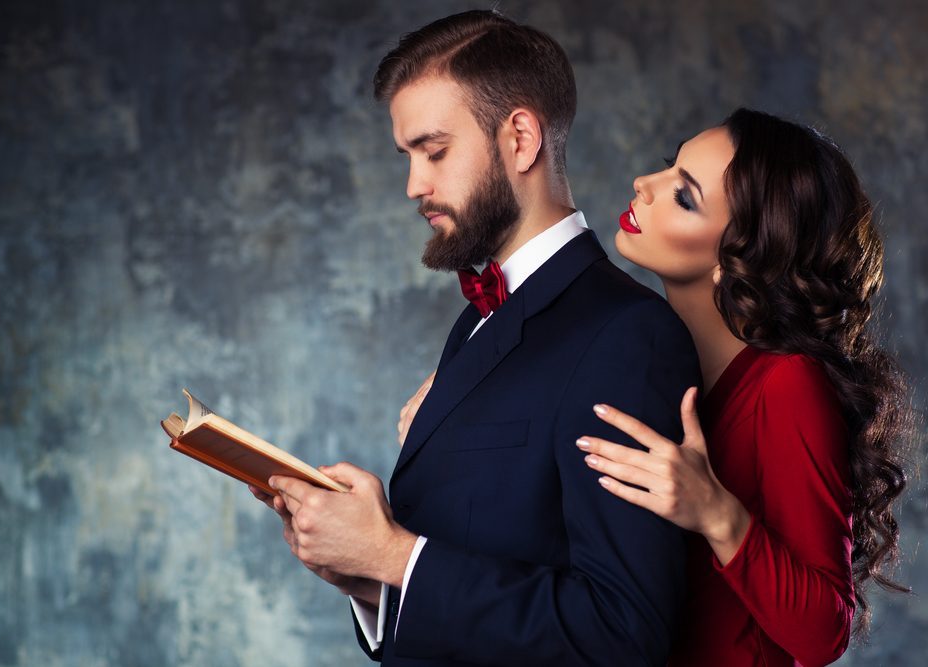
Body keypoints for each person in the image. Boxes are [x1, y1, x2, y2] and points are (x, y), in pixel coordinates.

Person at [250, 9, 701, 666]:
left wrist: (394, 554)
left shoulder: (626, 335)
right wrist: (369, 580)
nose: (414, 185)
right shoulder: (477, 318)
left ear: (520, 138)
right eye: (407, 157)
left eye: (434, 152)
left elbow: (622, 634)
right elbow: (477, 560)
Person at [401, 108, 914, 666]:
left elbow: (823, 634)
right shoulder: (636, 359)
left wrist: (716, 512)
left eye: (684, 196)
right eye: (670, 168)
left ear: (736, 256)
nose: (644, 185)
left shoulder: (786, 386)